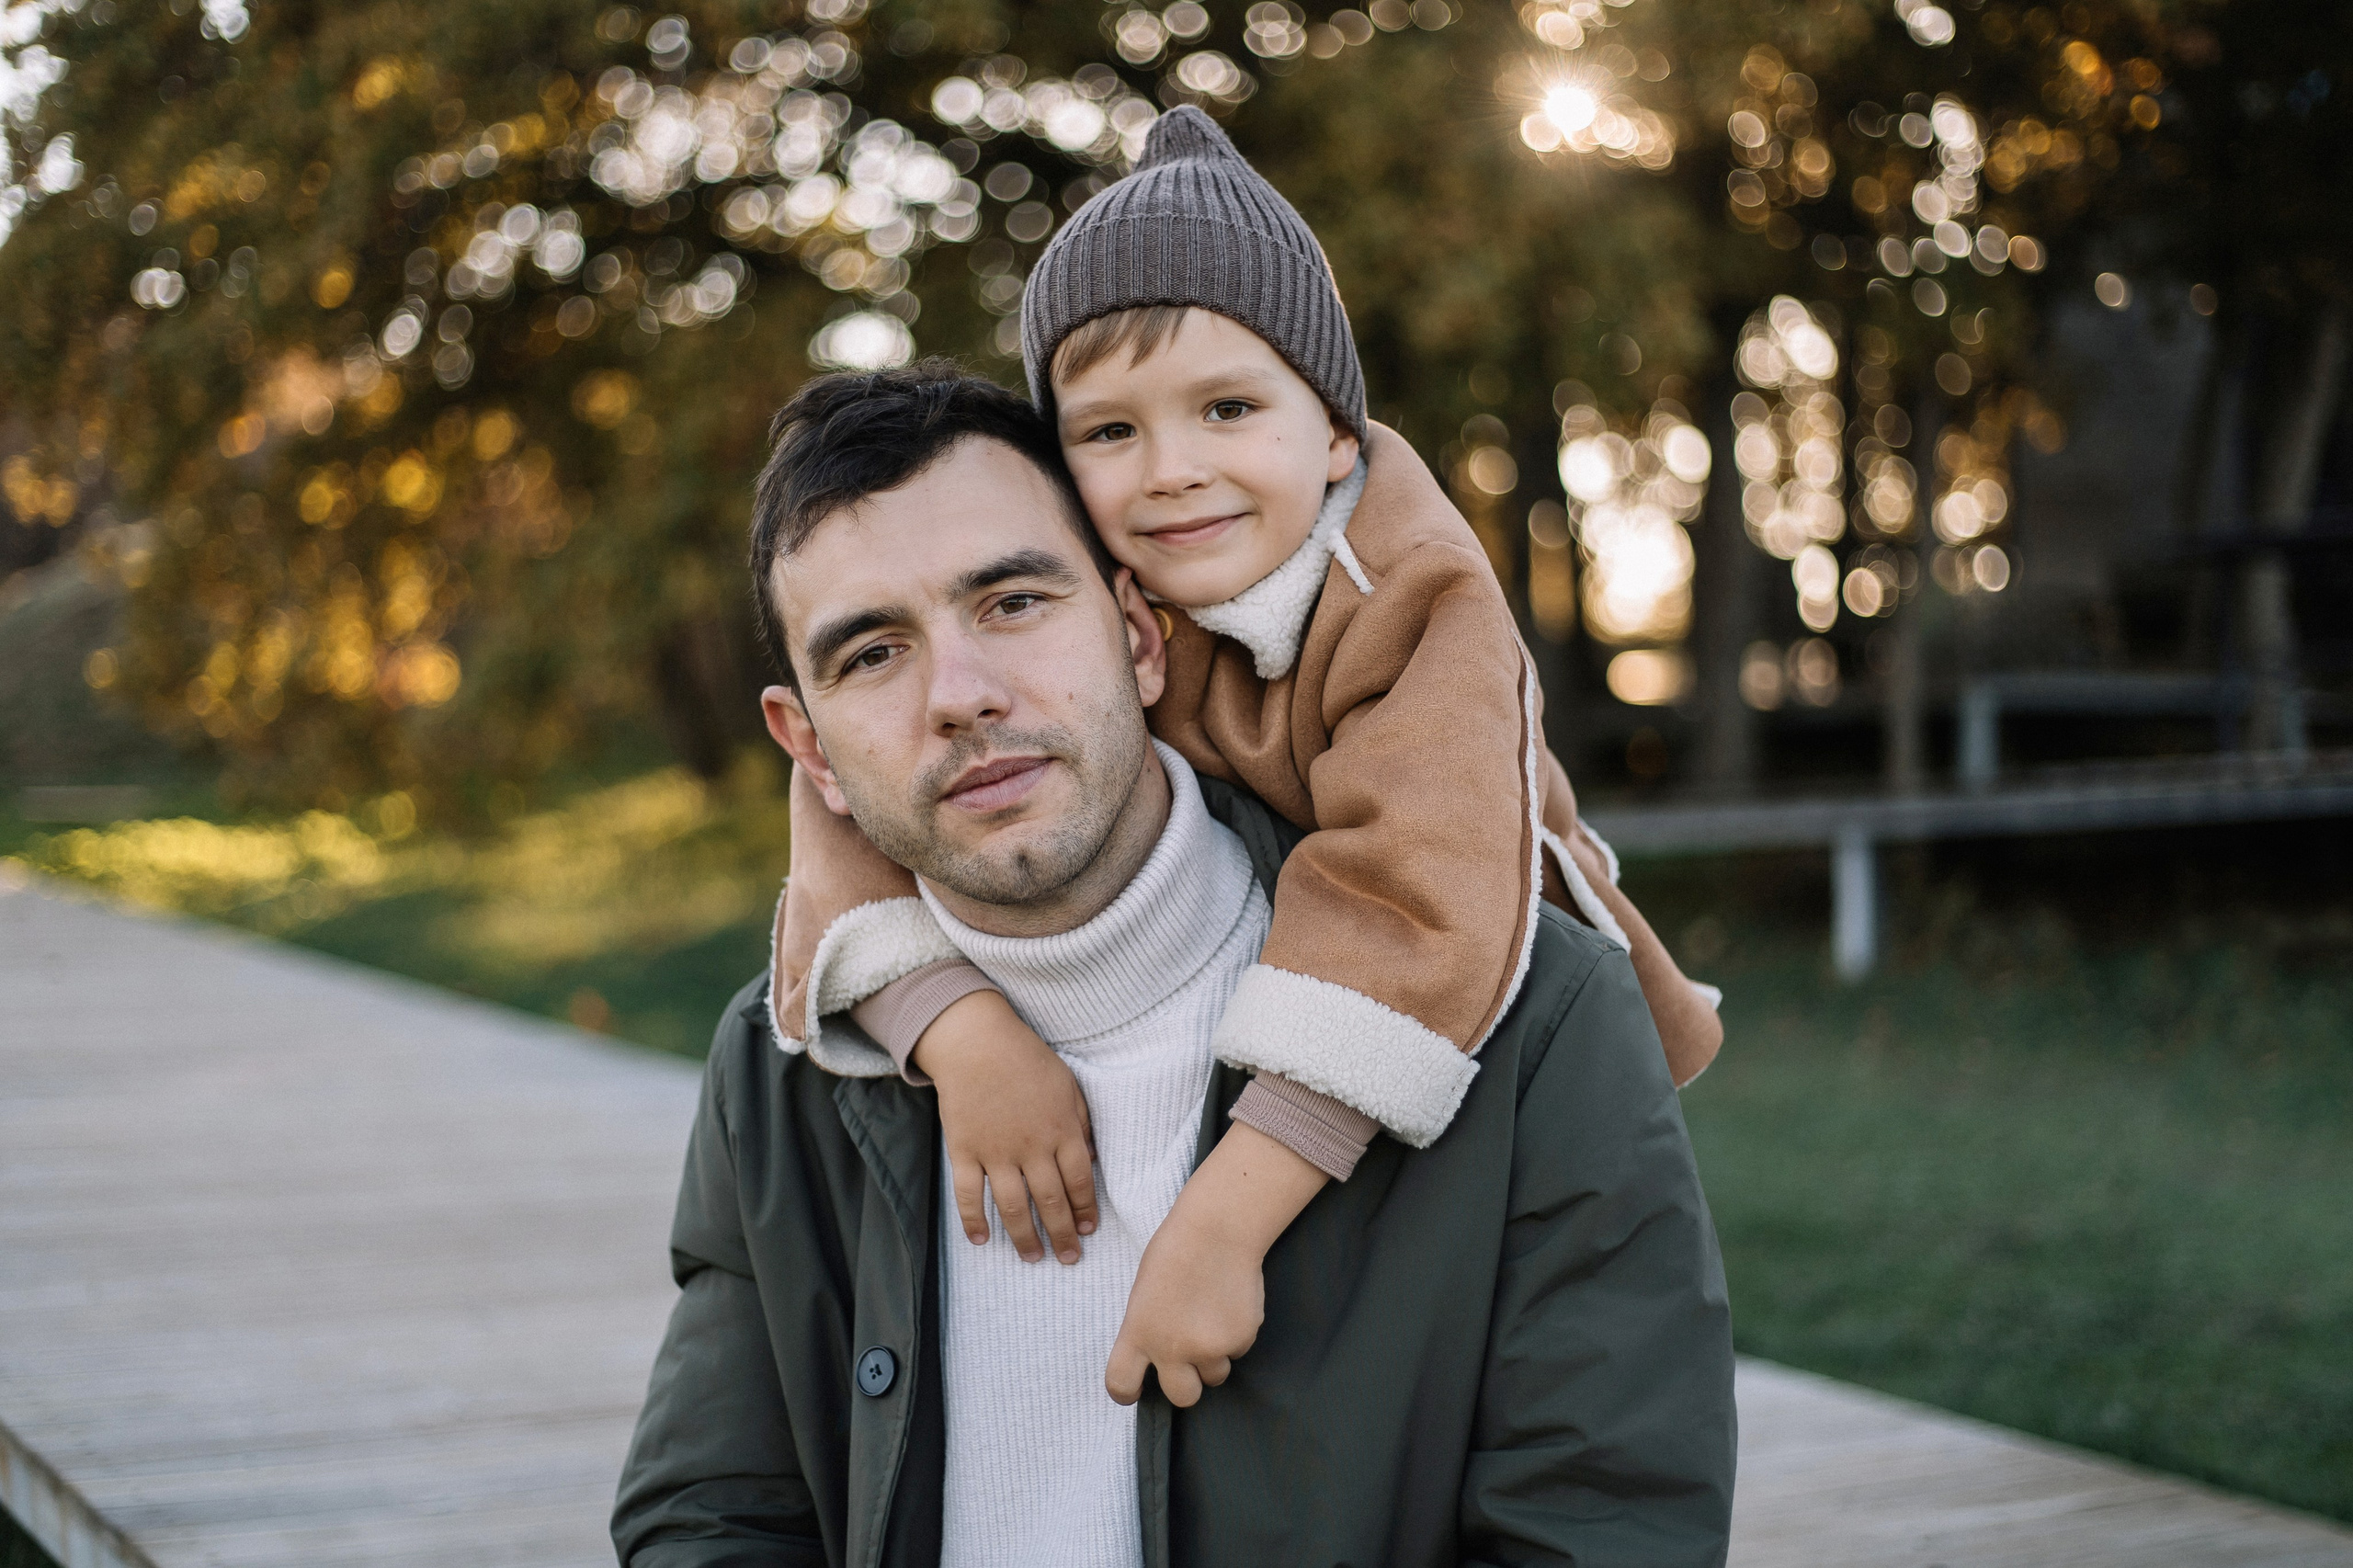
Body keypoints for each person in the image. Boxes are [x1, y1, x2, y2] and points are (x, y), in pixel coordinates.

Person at [611, 367, 1735, 1567]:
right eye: (874, 654)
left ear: (1141, 635)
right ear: (813, 752)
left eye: (1011, 602)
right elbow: (711, 1519)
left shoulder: (1532, 1025)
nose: (962, 697)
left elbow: (1605, 1526)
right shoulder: (785, 1064)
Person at [765, 106, 1722, 1406]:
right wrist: (958, 1028)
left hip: (1477, 968)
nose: (1174, 472)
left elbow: (1413, 893)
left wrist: (1226, 1216)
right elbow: (847, 814)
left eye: (1228, 407)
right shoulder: (1097, 600)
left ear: (1335, 432)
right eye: (1109, 433)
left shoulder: (1412, 592)